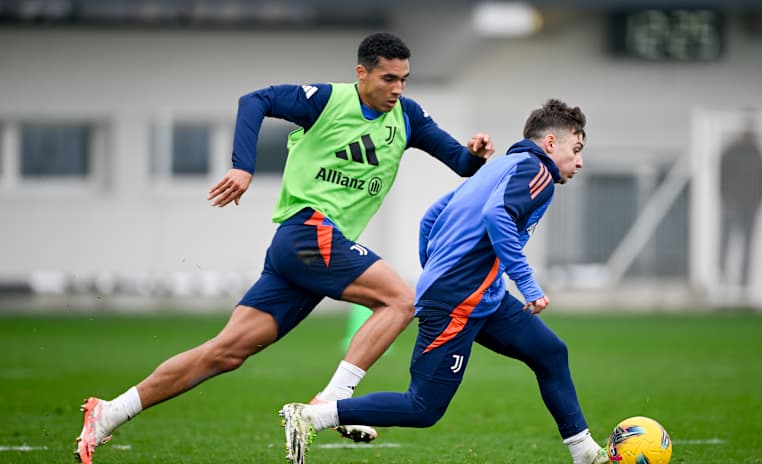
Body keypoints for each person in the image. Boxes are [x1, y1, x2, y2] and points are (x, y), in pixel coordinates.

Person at [74, 31, 494, 464]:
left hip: (302, 254)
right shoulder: (325, 100)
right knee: (401, 300)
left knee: (225, 352)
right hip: (307, 235)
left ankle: (109, 413)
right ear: (361, 73)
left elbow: (460, 164)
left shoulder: (407, 117)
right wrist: (243, 167)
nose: (398, 89)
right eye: (389, 79)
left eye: (404, 79)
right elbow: (254, 100)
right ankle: (331, 403)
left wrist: (475, 154)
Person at [280, 99, 609, 464]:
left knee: (550, 353)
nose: (579, 161)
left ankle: (585, 453)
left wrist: (435, 267)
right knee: (422, 407)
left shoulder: (498, 166)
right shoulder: (539, 175)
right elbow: (497, 215)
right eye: (575, 149)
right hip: (459, 298)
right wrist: (527, 285)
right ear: (550, 143)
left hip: (483, 296)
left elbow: (432, 215)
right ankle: (314, 416)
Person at [719, 120, 762, 287]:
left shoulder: (757, 153)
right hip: (733, 205)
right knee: (726, 243)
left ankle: (744, 284)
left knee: (748, 247)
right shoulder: (731, 152)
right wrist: (725, 198)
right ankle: (721, 279)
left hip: (750, 206)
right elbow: (722, 176)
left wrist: (758, 201)